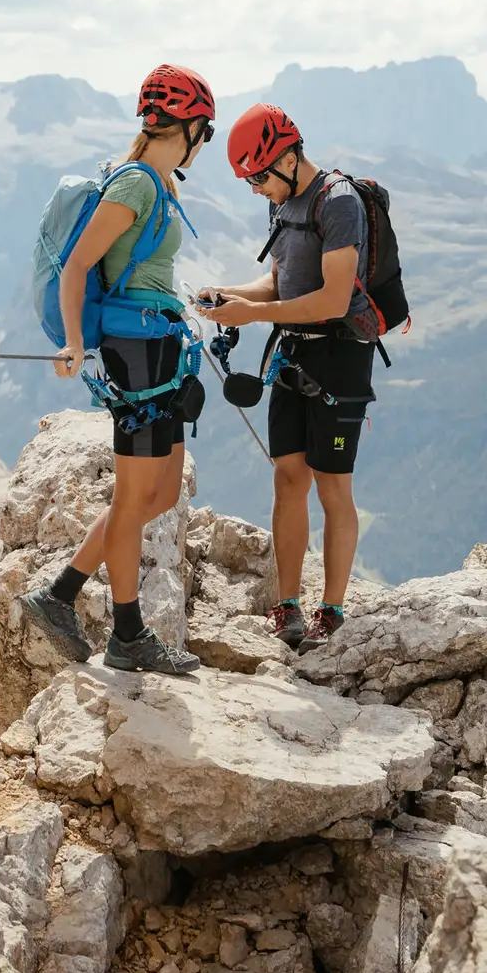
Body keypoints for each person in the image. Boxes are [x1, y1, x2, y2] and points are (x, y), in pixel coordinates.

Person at [14, 64, 216, 675]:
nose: (202, 143)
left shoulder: (156, 183)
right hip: (136, 353)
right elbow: (78, 267)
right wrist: (76, 343)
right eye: (203, 131)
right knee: (135, 498)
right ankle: (127, 635)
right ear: (188, 127)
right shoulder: (137, 187)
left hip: (160, 344)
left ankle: (60, 594)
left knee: (161, 489)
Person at [198, 103, 376, 650]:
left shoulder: (339, 203)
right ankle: (289, 605)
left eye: (256, 176)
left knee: (332, 486)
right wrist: (229, 295)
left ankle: (334, 610)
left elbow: (331, 297)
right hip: (295, 354)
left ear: (287, 157)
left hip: (340, 359)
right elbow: (279, 284)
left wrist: (251, 315)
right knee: (288, 479)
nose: (253, 188)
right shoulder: (284, 203)